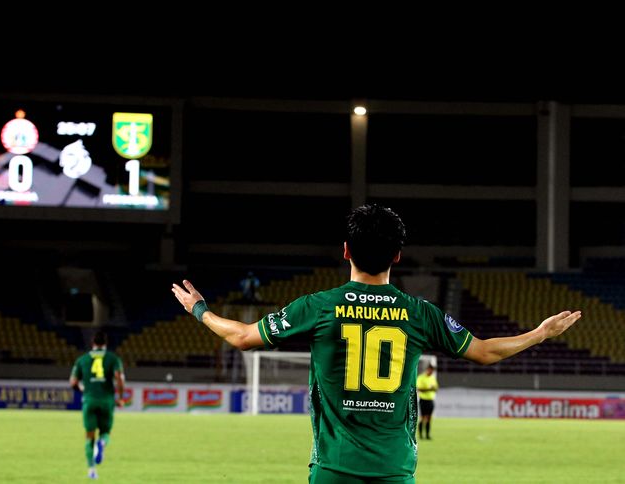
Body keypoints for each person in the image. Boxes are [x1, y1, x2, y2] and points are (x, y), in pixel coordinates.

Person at [172, 203, 582, 483]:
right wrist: (541, 332)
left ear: (345, 250)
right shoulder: (420, 313)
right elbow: (487, 351)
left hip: (334, 467)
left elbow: (242, 337)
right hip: (393, 469)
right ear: (398, 256)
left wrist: (200, 310)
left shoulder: (318, 307)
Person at [70, 331, 126, 480]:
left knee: (89, 437)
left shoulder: (82, 360)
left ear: (92, 343)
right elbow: (119, 379)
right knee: (105, 432)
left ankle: (92, 470)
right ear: (105, 343)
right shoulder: (113, 359)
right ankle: (102, 442)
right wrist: (120, 398)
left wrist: (83, 390)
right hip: (107, 400)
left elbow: (73, 383)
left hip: (89, 400)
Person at [416, 364, 438, 440]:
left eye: (432, 370)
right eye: (430, 370)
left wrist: (432, 389)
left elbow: (436, 389)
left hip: (431, 400)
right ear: (427, 369)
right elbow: (419, 389)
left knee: (429, 418)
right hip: (423, 400)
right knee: (422, 418)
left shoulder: (432, 378)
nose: (431, 372)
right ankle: (421, 435)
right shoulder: (421, 378)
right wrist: (429, 389)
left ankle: (428, 435)